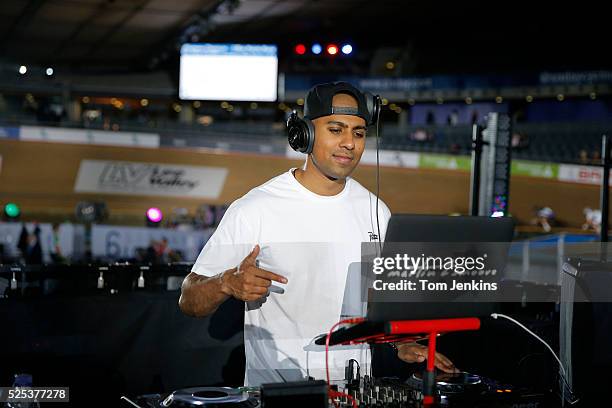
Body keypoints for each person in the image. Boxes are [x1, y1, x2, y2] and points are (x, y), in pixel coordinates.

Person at [179, 82, 457, 386]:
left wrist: (399, 342)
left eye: (359, 133)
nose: (350, 143)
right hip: (278, 396)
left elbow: (376, 301)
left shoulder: (377, 211)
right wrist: (226, 283)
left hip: (354, 391)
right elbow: (189, 300)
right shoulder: (254, 208)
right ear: (304, 135)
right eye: (336, 130)